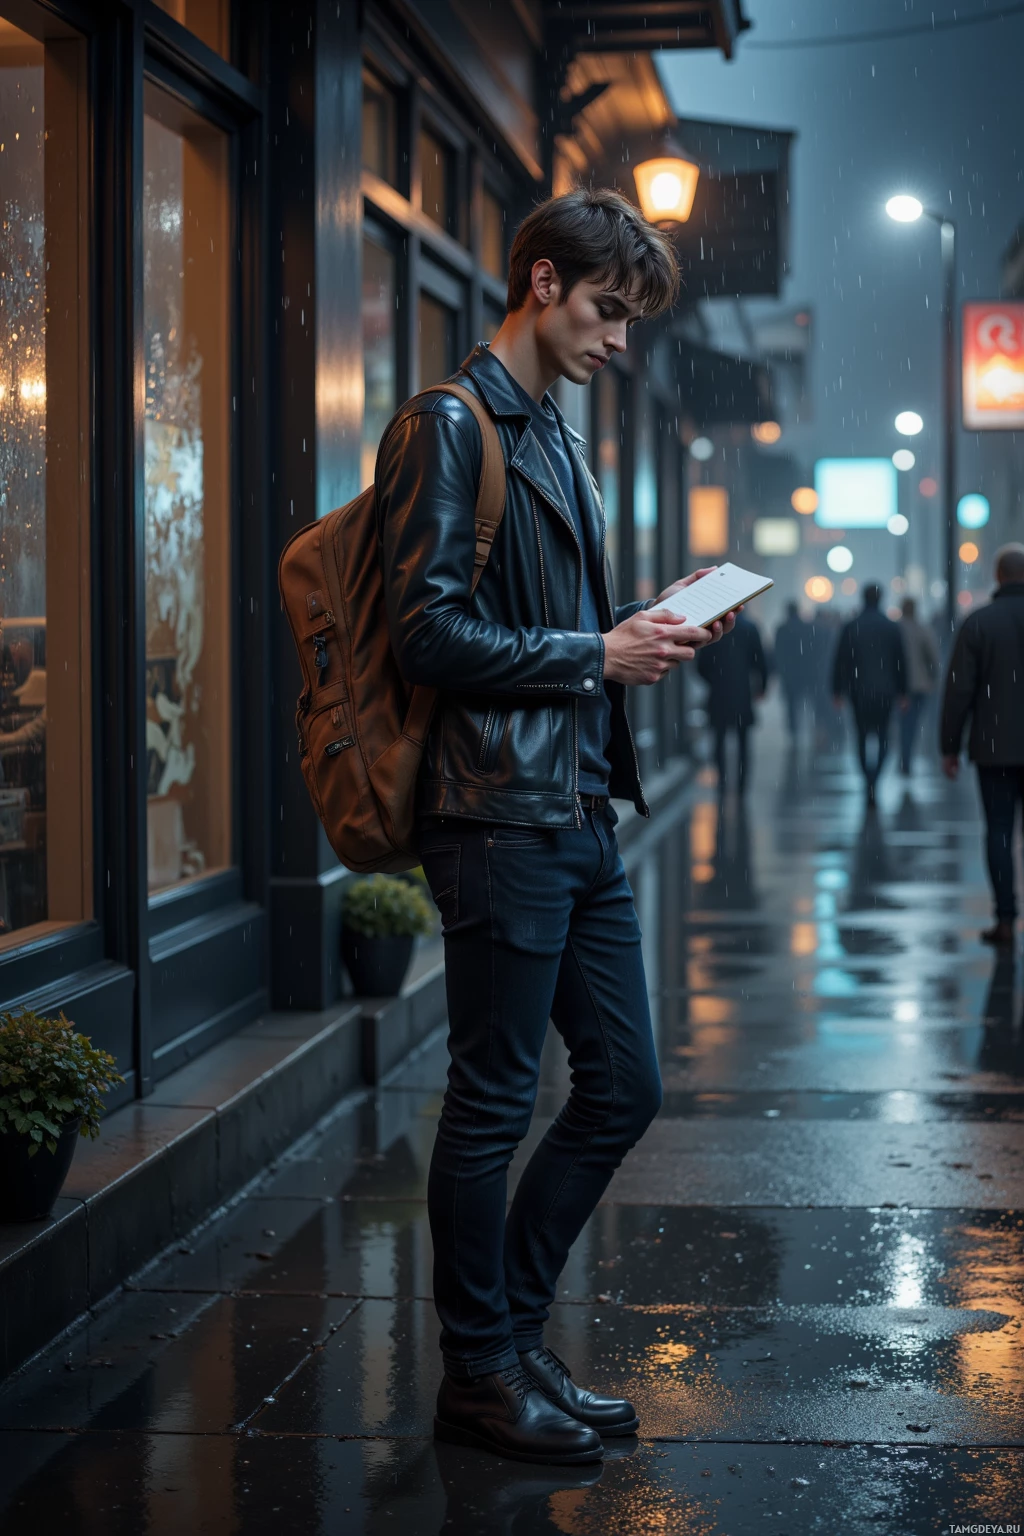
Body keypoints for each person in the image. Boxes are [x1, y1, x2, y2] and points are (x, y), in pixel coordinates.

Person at [376, 187, 737, 1465]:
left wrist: (649, 620)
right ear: (539, 283)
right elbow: (421, 633)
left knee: (624, 1086)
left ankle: (510, 1338)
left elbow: (543, 623)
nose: (617, 341)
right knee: (490, 1100)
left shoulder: (559, 442)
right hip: (493, 817)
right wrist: (595, 649)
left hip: (577, 812)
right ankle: (476, 1374)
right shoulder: (448, 426)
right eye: (604, 311)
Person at [940, 543, 1024, 947]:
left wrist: (949, 746)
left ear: (998, 575)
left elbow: (959, 691)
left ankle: (1005, 919)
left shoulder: (979, 623)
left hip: (996, 748)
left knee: (999, 831)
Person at [832, 582, 907, 806]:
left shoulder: (851, 626)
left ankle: (868, 780)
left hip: (859, 691)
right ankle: (875, 779)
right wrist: (903, 691)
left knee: (861, 737)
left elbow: (841, 661)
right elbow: (900, 661)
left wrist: (837, 690)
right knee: (884, 737)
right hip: (885, 691)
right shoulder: (891, 627)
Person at [697, 612, 768, 790]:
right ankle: (742, 784)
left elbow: (701, 666)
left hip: (719, 693)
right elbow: (761, 662)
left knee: (719, 740)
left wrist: (714, 681)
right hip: (742, 694)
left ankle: (722, 781)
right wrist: (761, 687)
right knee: (743, 742)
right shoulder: (750, 629)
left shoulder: (714, 629)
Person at [898, 596, 940, 773]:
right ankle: (907, 758)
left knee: (903, 723)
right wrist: (933, 677)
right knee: (913, 723)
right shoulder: (923, 630)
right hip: (920, 685)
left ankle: (904, 757)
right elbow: (933, 658)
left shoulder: (896, 629)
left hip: (899, 686)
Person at [772, 600, 815, 743]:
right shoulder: (807, 628)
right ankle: (806, 730)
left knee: (791, 704)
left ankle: (794, 732)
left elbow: (777, 652)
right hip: (805, 672)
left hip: (788, 673)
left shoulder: (782, 629)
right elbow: (811, 651)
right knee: (806, 702)